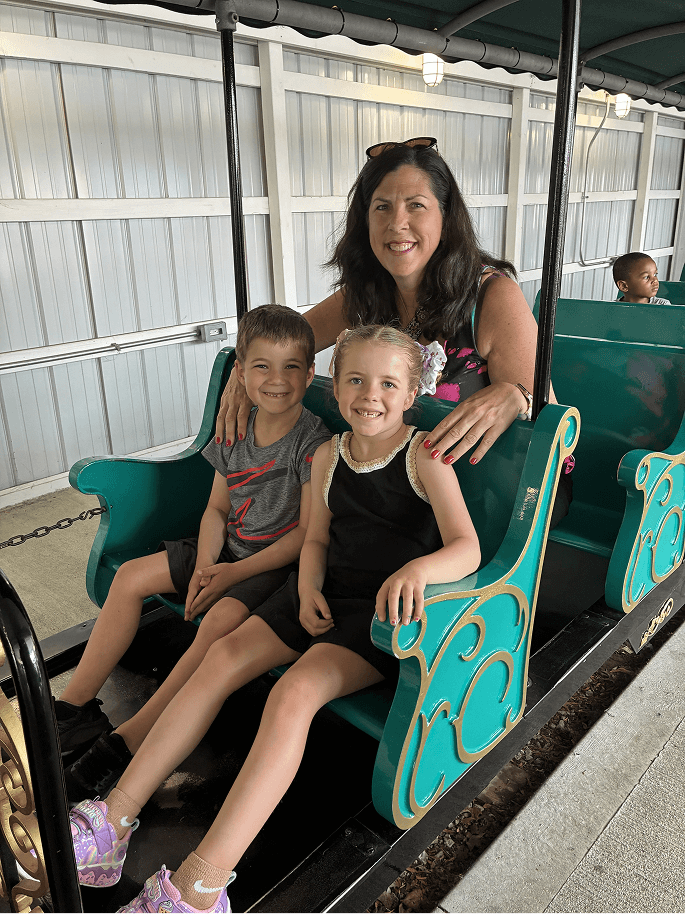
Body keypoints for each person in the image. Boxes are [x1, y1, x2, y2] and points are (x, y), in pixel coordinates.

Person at [66, 325, 481, 914]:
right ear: (335, 389)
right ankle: (115, 818)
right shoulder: (327, 456)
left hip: (376, 616)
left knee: (292, 695)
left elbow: (466, 547)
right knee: (220, 657)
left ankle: (202, 885)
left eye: (389, 383)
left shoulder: (424, 456)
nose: (371, 395)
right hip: (317, 592)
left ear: (412, 393)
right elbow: (314, 540)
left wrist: (418, 571)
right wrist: (308, 583)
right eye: (356, 380)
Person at [57, 304, 330, 803]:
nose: (276, 380)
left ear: (310, 373)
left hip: (270, 565)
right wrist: (207, 565)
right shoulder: (235, 431)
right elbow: (215, 511)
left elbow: (304, 538)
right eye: (262, 367)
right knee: (132, 577)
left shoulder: (312, 444)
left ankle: (131, 737)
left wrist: (227, 576)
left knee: (215, 622)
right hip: (225, 549)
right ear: (241, 375)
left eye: (291, 367)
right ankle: (75, 709)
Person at [216, 137, 566, 488]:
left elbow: (546, 413)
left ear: (445, 216)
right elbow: (287, 341)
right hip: (397, 488)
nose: (397, 223)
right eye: (382, 207)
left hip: (492, 487)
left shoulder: (491, 294)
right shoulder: (365, 291)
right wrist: (240, 374)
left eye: (416, 205)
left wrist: (516, 394)